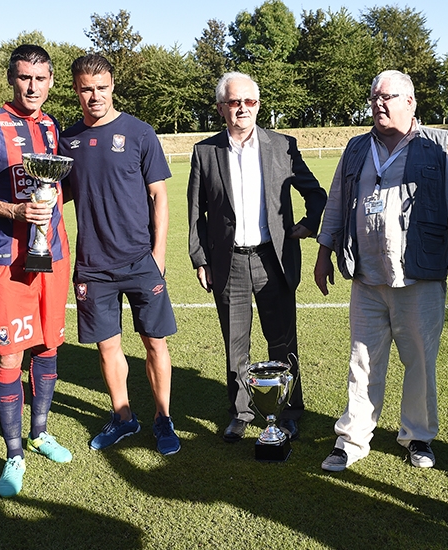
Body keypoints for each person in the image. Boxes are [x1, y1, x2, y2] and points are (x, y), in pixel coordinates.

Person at [314, 70, 448, 472]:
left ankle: (418, 436)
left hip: (419, 276)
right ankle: (352, 439)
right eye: (374, 98)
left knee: (420, 360)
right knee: (362, 360)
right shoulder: (356, 148)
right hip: (366, 277)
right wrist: (322, 254)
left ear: (410, 102)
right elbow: (336, 204)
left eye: (387, 97)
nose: (378, 104)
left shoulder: (439, 144)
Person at [0, 44, 72, 498]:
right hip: (8, 259)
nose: (33, 86)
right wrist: (12, 211)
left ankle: (40, 433)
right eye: (25, 77)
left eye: (41, 79)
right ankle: (14, 453)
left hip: (54, 257)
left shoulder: (50, 126)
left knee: (48, 346)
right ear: (11, 78)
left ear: (51, 81)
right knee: (10, 356)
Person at [187, 72, 327, 443]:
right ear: (222, 108)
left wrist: (308, 225)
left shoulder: (283, 145)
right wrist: (200, 258)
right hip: (228, 262)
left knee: (282, 341)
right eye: (235, 102)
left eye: (250, 102)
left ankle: (290, 410)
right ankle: (241, 411)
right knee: (235, 342)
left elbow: (316, 193)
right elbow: (195, 212)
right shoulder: (205, 151)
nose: (243, 109)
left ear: (258, 105)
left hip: (274, 259)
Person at [59, 53, 181, 457]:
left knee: (155, 344)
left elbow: (159, 195)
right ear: (76, 90)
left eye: (101, 87)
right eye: (86, 89)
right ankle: (124, 416)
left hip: (141, 261)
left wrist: (158, 253)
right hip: (93, 266)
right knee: (108, 347)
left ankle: (163, 418)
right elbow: (60, 195)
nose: (94, 96)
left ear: (113, 86)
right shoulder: (67, 141)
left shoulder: (139, 133)